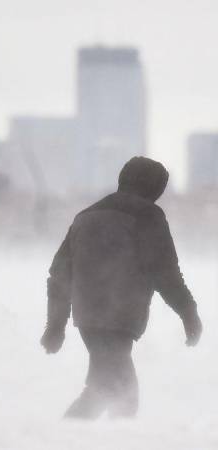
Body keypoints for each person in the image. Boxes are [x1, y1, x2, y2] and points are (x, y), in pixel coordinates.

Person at [41, 156, 202, 419]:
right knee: (122, 395)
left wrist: (55, 326)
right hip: (119, 318)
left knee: (104, 389)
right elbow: (165, 272)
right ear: (154, 187)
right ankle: (65, 440)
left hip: (89, 319)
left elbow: (60, 273)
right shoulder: (148, 215)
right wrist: (189, 313)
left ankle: (74, 438)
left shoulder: (86, 216)